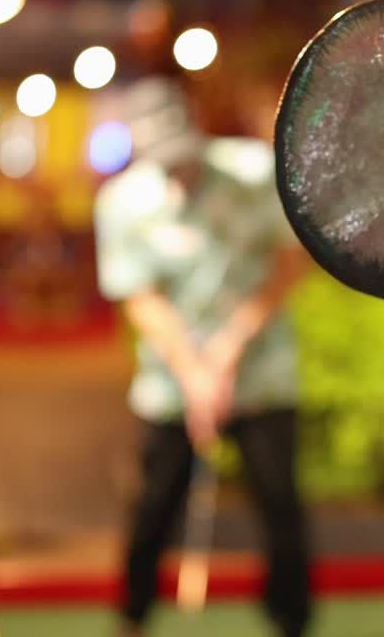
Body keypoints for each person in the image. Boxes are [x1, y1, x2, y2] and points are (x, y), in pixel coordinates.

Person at [95, 135, 311, 637]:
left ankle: (292, 620)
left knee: (280, 502)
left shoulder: (257, 174)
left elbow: (287, 263)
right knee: (154, 503)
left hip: (263, 373)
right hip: (172, 383)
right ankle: (133, 614)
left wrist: (228, 349)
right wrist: (194, 373)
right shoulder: (123, 201)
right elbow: (140, 295)